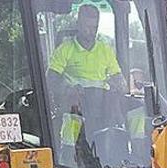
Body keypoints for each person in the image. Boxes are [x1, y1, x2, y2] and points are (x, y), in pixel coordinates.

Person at [47, 3, 126, 147]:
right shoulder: (65, 49)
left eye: (94, 28)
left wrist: (118, 85)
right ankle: (68, 152)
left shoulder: (105, 50)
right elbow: (52, 78)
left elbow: (118, 78)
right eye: (87, 27)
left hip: (102, 105)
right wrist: (67, 89)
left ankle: (131, 152)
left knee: (136, 110)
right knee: (71, 119)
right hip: (75, 105)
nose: (91, 32)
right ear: (78, 24)